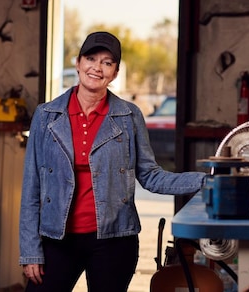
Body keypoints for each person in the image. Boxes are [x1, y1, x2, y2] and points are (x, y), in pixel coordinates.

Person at [19, 31, 206, 291]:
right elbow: (32, 187)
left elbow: (151, 176)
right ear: (78, 63)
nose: (97, 67)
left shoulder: (129, 116)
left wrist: (206, 181)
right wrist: (30, 251)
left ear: (115, 73)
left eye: (107, 62)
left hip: (114, 240)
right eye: (91, 58)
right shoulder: (46, 115)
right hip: (57, 239)